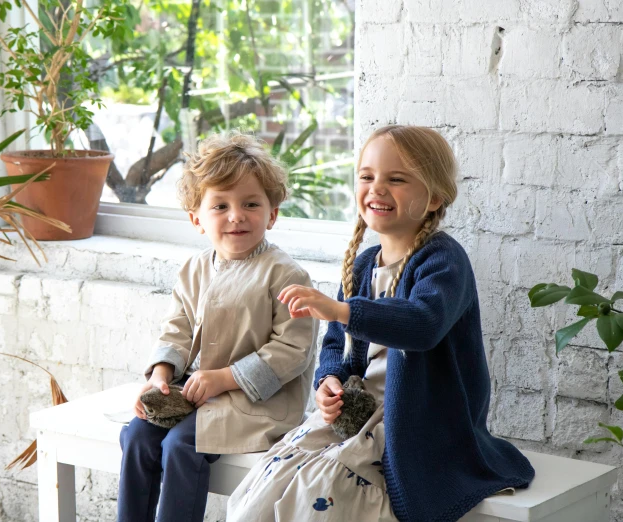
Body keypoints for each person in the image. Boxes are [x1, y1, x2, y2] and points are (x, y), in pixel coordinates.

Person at [227, 125, 535, 522]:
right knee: (272, 476)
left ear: (435, 197)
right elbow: (336, 345)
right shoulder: (362, 264)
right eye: (367, 177)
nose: (377, 188)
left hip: (414, 419)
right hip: (359, 409)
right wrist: (329, 381)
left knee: (319, 490)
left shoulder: (443, 260)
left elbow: (423, 325)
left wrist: (342, 310)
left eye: (397, 179)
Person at [117, 132, 318, 522]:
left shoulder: (286, 273)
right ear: (197, 219)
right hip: (194, 391)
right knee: (139, 436)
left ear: (272, 213)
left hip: (256, 401)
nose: (236, 215)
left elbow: (293, 351)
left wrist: (225, 378)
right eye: (220, 206)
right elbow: (176, 326)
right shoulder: (193, 269)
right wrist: (160, 376)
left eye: (251, 204)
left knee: (180, 445)